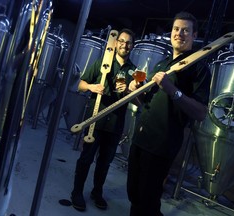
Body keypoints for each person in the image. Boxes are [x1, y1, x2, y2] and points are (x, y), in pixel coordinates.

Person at [126, 12, 212, 216]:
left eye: (185, 30)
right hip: (140, 138)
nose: (179, 34)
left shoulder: (199, 69)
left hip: (161, 145)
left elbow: (200, 113)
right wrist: (133, 93)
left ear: (194, 35)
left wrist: (171, 89)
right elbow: (146, 104)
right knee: (134, 194)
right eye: (176, 29)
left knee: (146, 201)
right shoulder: (162, 64)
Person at [71, 28, 136, 211]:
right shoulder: (102, 62)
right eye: (121, 41)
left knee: (105, 162)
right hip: (95, 121)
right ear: (116, 43)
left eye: (128, 42)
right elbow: (80, 85)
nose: (124, 45)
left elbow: (137, 100)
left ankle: (96, 192)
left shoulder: (133, 70)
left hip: (115, 124)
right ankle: (77, 191)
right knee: (86, 159)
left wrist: (128, 91)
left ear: (133, 46)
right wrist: (92, 87)